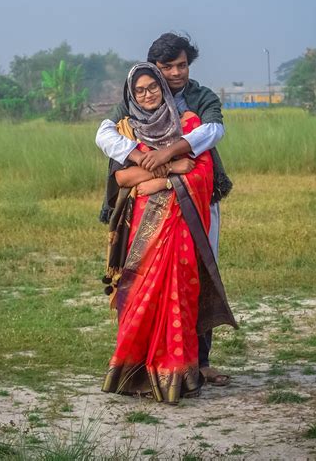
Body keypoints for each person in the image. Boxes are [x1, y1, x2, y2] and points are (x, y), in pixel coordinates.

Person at [96, 33, 233, 386]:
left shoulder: (196, 102)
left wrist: (168, 158)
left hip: (197, 206)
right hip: (144, 217)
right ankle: (141, 359)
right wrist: (145, 160)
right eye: (167, 67)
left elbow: (212, 132)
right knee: (144, 283)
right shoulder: (136, 101)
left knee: (196, 277)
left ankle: (198, 362)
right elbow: (107, 137)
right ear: (151, 71)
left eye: (182, 65)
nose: (176, 73)